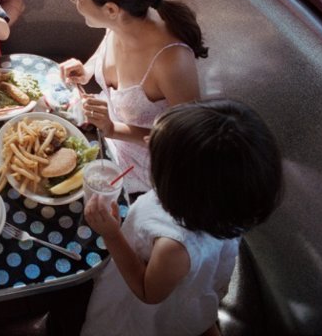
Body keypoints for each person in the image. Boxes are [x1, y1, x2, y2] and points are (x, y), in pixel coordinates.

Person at [81, 99, 283, 336]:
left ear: (180, 184)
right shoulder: (223, 206)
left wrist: (112, 235)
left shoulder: (174, 247)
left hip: (141, 308)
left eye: (156, 150)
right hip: (187, 283)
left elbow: (148, 292)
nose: (147, 141)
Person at [60, 0, 208, 196]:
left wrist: (112, 128)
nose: (73, 2)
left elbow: (186, 144)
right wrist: (87, 71)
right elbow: (105, 54)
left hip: (143, 177)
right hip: (104, 145)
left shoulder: (172, 61)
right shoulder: (122, 22)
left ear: (111, 9)